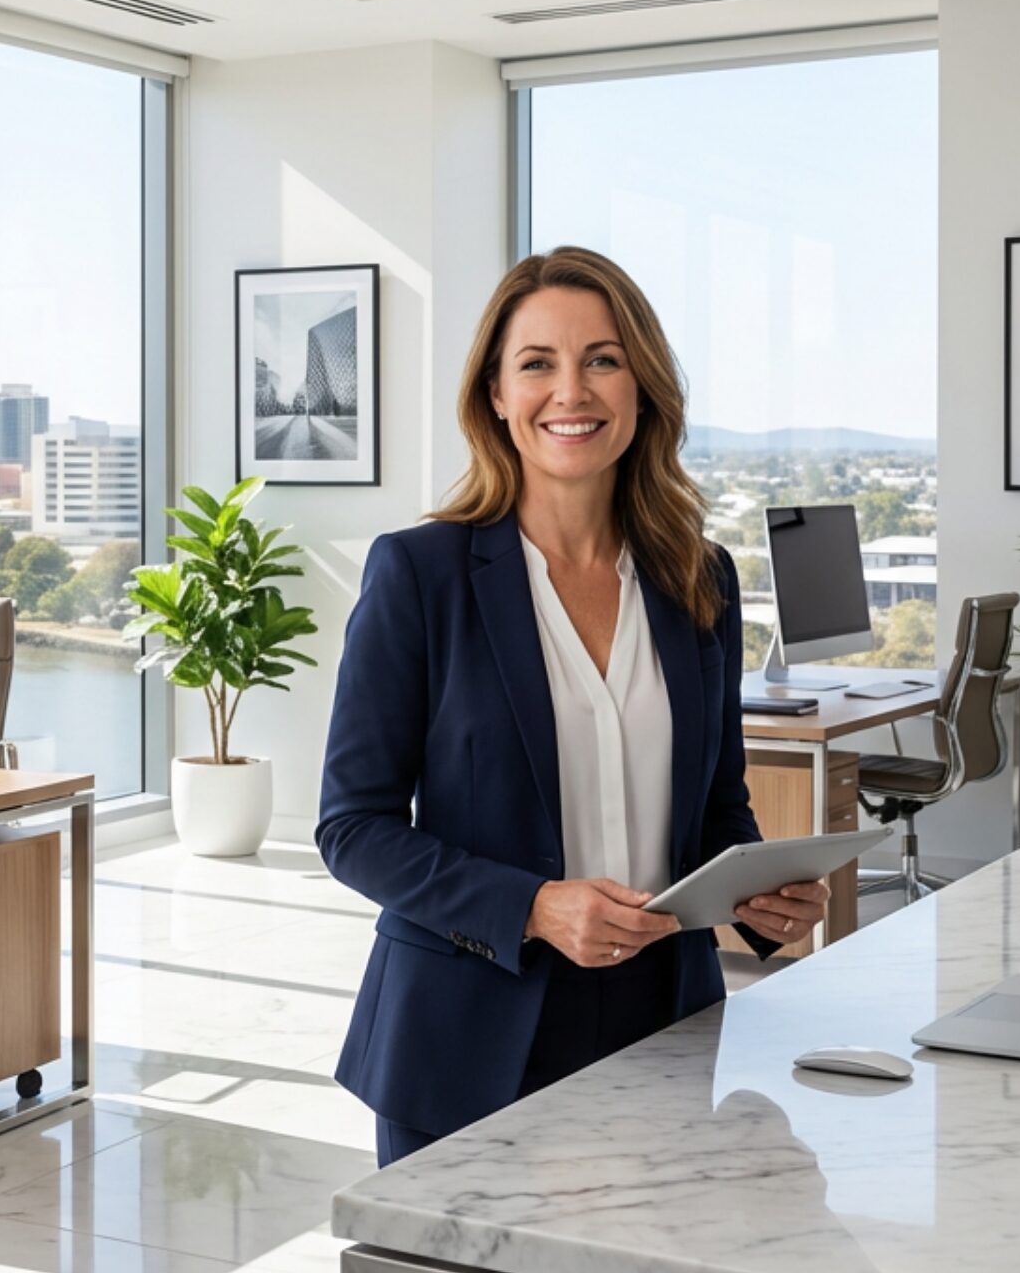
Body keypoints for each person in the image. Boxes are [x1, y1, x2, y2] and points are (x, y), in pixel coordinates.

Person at [316, 247, 830, 1168]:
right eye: (538, 363)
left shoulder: (696, 579)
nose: (572, 391)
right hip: (467, 1038)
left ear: (642, 389)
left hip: (664, 1026)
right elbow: (353, 829)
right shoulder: (420, 576)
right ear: (498, 397)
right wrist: (534, 907)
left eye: (602, 358)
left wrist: (760, 899)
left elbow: (716, 804)